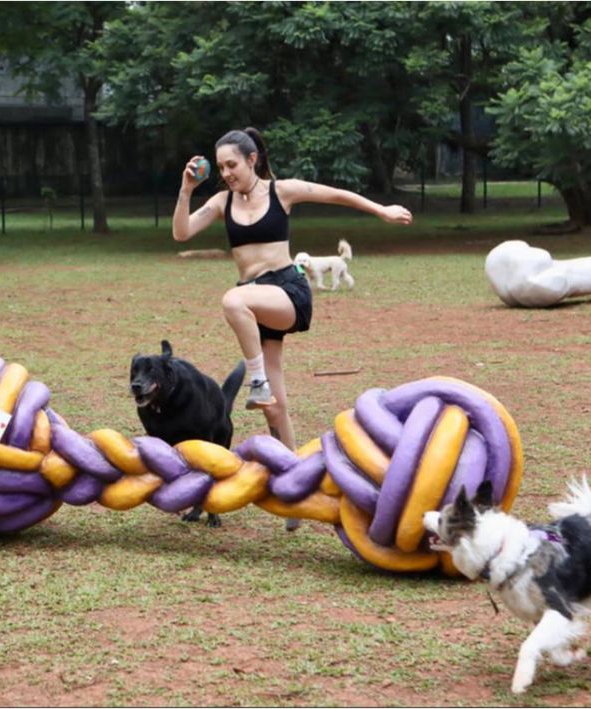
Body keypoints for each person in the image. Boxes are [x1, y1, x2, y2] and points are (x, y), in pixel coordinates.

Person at [172, 127, 412, 528]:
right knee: (275, 410)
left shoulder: (282, 191)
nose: (226, 173)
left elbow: (336, 194)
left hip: (286, 292)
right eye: (221, 167)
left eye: (232, 164)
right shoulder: (220, 201)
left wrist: (381, 210)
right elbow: (181, 233)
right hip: (256, 301)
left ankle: (256, 380)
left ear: (252, 160)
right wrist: (185, 190)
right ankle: (297, 489)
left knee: (232, 300)